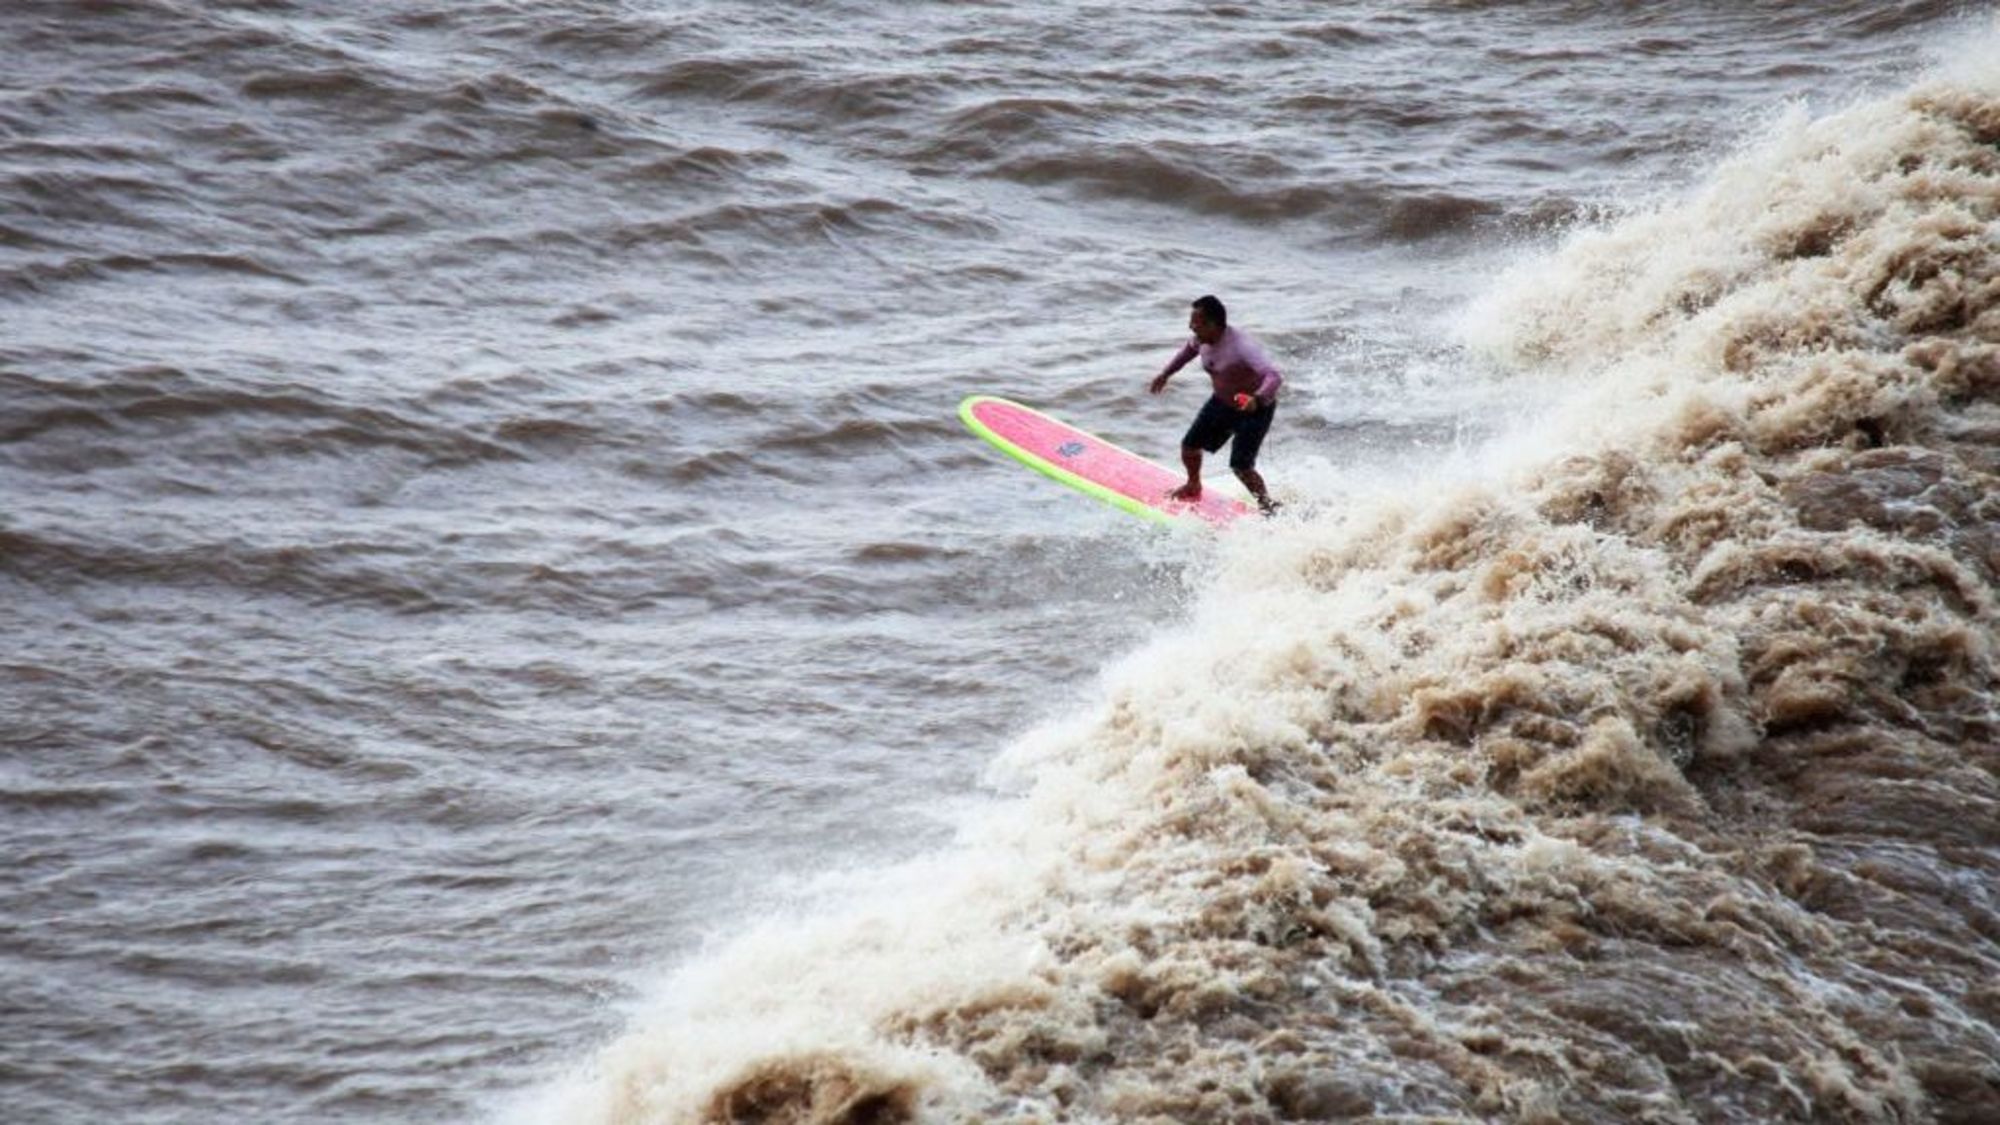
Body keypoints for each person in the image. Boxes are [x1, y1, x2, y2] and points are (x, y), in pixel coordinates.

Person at [1146, 294, 1282, 514]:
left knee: (1241, 466)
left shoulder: (1242, 347)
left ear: (1214, 325)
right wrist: (1165, 374)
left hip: (1254, 410)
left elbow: (1274, 376)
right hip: (1222, 402)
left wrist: (1255, 399)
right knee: (1189, 447)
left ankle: (1267, 506)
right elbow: (1188, 351)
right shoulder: (1202, 339)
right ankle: (1193, 485)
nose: (1191, 327)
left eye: (1196, 324)